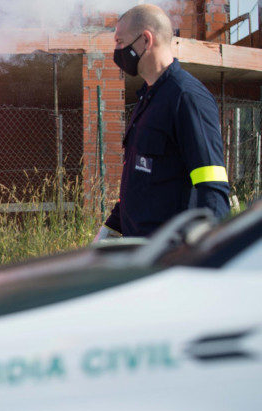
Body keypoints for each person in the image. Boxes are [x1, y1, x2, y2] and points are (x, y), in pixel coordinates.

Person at [95, 4, 230, 241]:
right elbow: (141, 182)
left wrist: (208, 262)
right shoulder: (147, 99)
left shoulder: (186, 98)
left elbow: (213, 191)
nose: (116, 50)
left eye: (120, 41)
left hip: (170, 258)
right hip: (141, 254)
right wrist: (111, 229)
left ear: (145, 40)